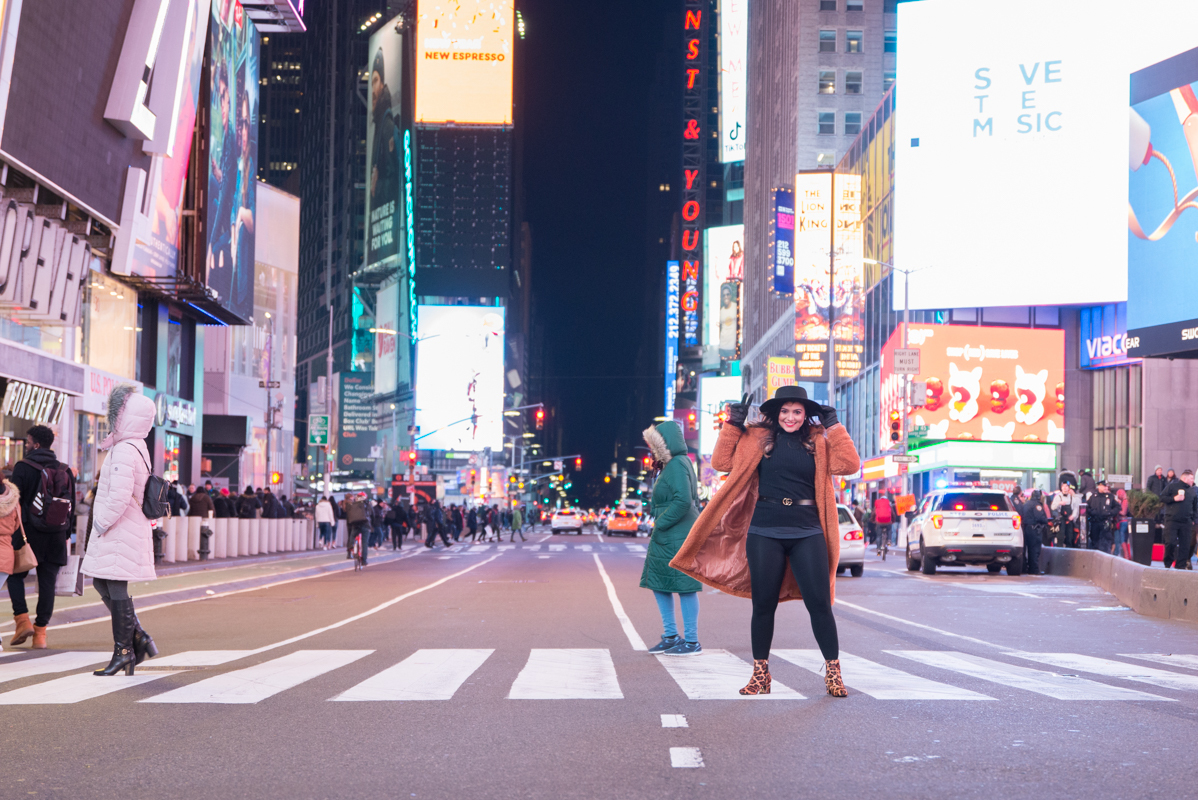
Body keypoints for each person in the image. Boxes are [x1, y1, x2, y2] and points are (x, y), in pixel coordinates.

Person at [670, 386, 861, 698]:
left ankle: (833, 673)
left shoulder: (818, 440)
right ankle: (761, 675)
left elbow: (850, 465)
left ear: (805, 414)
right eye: (784, 411)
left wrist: (835, 426)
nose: (790, 417)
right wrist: (732, 424)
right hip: (765, 530)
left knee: (820, 605)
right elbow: (721, 461)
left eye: (797, 411)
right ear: (775, 413)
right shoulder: (757, 437)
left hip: (807, 529)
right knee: (763, 606)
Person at [81, 385, 159, 676]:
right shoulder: (133, 445)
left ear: (125, 418)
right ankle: (137, 638)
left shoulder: (125, 449)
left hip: (119, 528)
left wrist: (101, 523)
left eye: (116, 414)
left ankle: (125, 650)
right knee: (104, 584)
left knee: (113, 587)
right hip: (124, 527)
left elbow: (120, 495)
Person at [6, 424, 75, 649]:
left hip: (28, 534)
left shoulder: (23, 467)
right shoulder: (65, 470)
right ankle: (40, 635)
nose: (26, 445)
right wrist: (66, 534)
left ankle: (22, 619)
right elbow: (70, 507)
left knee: (15, 575)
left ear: (35, 444)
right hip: (56, 535)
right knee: (48, 583)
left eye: (27, 442)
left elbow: (13, 503)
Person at [640, 420, 704, 656]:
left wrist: (661, 522)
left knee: (685, 586)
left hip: (677, 531)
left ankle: (691, 641)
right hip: (669, 534)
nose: (650, 450)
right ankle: (670, 636)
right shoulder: (672, 465)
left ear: (664, 444)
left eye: (653, 446)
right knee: (660, 583)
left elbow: (683, 501)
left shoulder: (677, 464)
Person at [1161, 470, 1197, 569]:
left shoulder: (1192, 491)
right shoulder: (1172, 486)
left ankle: (1180, 566)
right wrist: (1174, 498)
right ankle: (1168, 563)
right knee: (1171, 542)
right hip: (1172, 520)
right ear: (1184, 478)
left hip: (1187, 522)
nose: (1193, 480)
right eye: (1191, 478)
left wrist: (1194, 519)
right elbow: (1162, 497)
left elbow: (1195, 507)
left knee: (1185, 545)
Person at [1020, 489, 1049, 575]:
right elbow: (1039, 517)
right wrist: (1046, 521)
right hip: (1034, 530)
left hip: (1026, 529)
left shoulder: (1026, 504)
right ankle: (1034, 569)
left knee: (1027, 550)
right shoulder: (1037, 505)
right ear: (1039, 497)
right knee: (1034, 550)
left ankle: (1025, 568)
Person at [1087, 481, 1119, 553]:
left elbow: (1117, 507)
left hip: (1105, 522)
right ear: (1099, 486)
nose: (1106, 488)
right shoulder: (1093, 496)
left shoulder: (1110, 497)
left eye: (1106, 486)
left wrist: (1110, 513)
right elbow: (1086, 507)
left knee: (1106, 542)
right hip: (1095, 522)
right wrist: (1092, 512)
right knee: (1095, 541)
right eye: (1104, 486)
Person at [1050, 480, 1081, 547]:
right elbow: (1052, 507)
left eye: (1066, 486)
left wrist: (1073, 516)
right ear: (1061, 487)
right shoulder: (1058, 497)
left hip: (1069, 521)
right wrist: (1059, 503)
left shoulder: (1072, 498)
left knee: (1070, 538)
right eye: (1063, 486)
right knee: (1060, 538)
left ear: (1069, 488)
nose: (1065, 488)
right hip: (1061, 521)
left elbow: (1075, 509)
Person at [344, 493, 370, 563]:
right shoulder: (367, 504)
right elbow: (372, 515)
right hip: (365, 524)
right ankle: (364, 560)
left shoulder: (353, 504)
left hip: (355, 524)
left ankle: (351, 545)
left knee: (352, 535)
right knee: (364, 542)